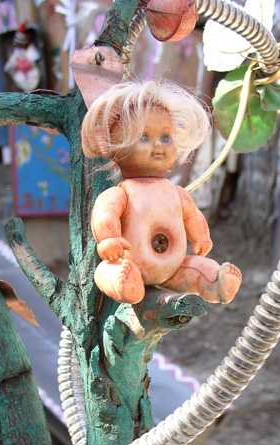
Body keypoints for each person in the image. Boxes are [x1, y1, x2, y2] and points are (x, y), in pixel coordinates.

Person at [81, 80, 242, 305]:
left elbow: (192, 216)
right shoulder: (121, 193)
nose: (158, 146)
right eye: (144, 137)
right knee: (106, 272)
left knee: (197, 268)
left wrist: (200, 236)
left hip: (173, 267)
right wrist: (109, 239)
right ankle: (126, 284)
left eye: (165, 138)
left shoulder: (176, 193)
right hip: (129, 262)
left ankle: (214, 283)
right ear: (115, 147)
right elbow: (105, 215)